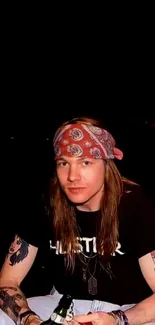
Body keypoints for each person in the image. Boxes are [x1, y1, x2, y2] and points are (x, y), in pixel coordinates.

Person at [0, 116, 155, 325]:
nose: (72, 176)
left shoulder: (135, 204)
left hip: (129, 309)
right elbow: (8, 280)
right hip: (63, 305)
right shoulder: (46, 202)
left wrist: (118, 319)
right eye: (64, 163)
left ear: (106, 164)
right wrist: (29, 320)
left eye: (86, 162)